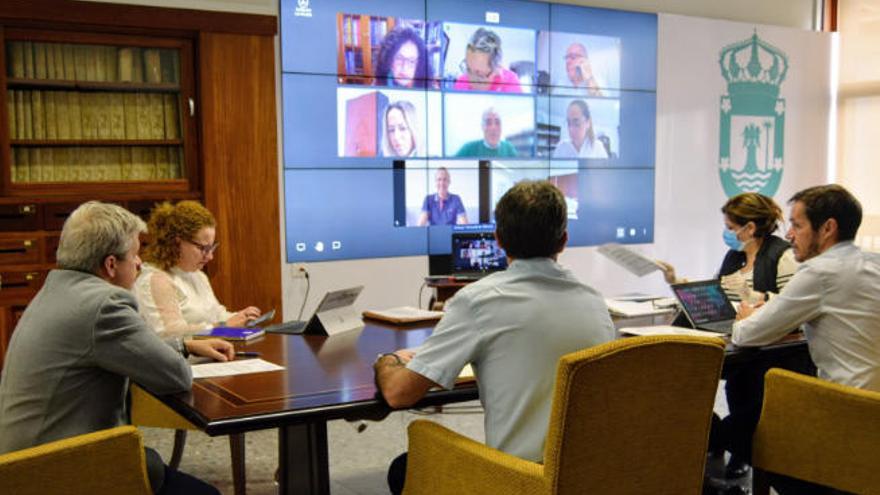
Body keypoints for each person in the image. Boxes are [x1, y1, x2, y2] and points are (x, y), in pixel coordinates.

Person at [376, 180, 616, 494]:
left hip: (519, 480)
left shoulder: (478, 301)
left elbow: (399, 393)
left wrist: (389, 361)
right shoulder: (595, 302)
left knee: (404, 467)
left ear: (498, 239)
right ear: (564, 241)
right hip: (588, 478)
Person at [0, 201, 232, 494]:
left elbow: (119, 348)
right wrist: (179, 354)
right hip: (56, 468)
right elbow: (176, 376)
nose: (139, 264)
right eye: (135, 255)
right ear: (111, 265)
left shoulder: (55, 290)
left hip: (18, 462)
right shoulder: (106, 304)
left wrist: (184, 344)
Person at [732, 184, 880, 495]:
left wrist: (747, 317)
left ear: (827, 228)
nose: (789, 235)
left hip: (848, 417)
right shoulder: (873, 263)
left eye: (797, 225)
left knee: (730, 428)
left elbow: (747, 335)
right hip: (872, 413)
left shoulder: (819, 272)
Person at [657, 192, 804, 483]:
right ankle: (713, 434)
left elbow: (790, 305)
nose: (727, 233)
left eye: (730, 226)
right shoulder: (734, 256)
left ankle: (734, 446)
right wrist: (677, 283)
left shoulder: (782, 255)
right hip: (733, 335)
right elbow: (716, 292)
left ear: (749, 228)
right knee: (687, 371)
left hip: (767, 345)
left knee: (743, 383)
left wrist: (755, 297)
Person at [133, 201, 260, 337]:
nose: (210, 256)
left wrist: (241, 317)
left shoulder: (197, 275)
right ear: (177, 242)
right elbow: (169, 334)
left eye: (212, 247)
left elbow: (216, 314)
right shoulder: (155, 280)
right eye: (203, 248)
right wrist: (224, 326)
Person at [453, 27, 522, 93]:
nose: (470, 82)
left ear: (496, 69)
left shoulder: (511, 82)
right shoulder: (461, 81)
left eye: (480, 76)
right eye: (468, 69)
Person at [454, 107, 518, 158]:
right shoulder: (469, 148)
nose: (493, 128)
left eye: (497, 122)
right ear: (482, 127)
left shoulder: (509, 148)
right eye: (488, 123)